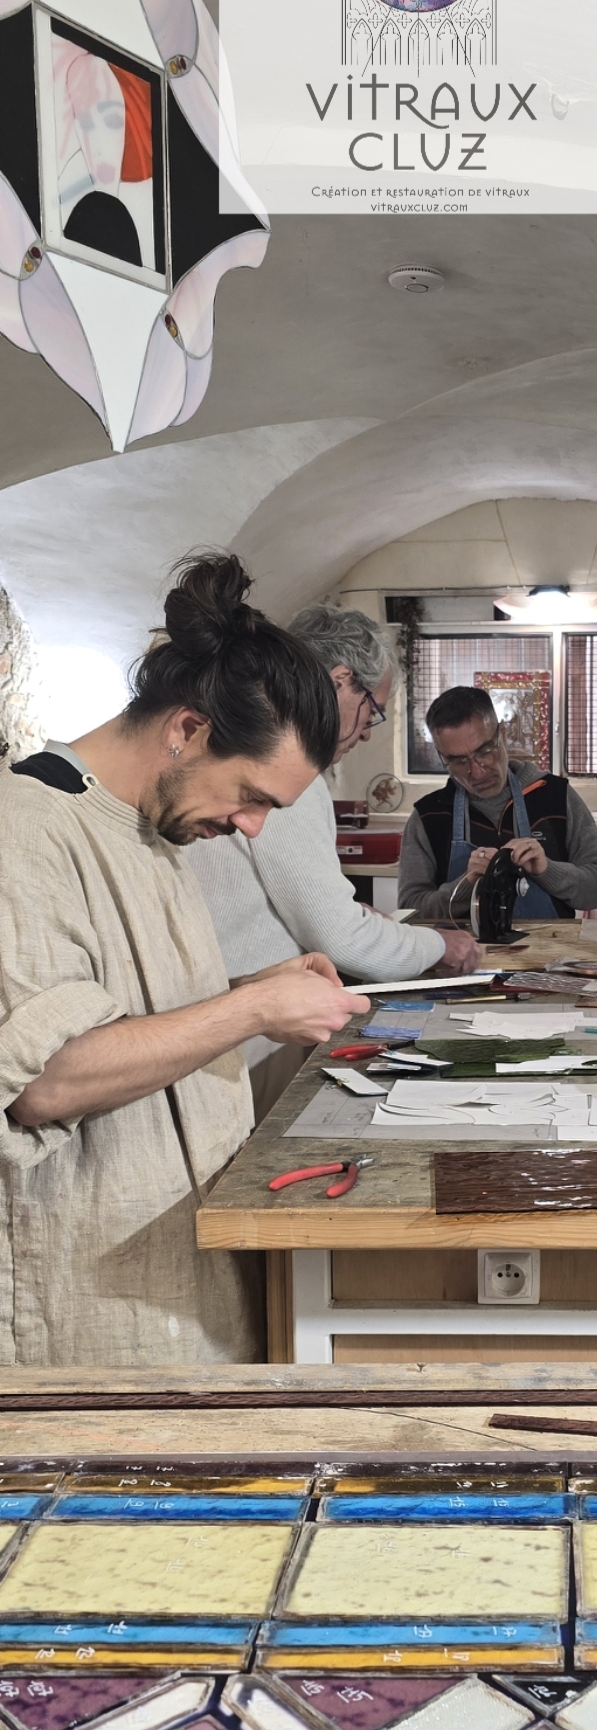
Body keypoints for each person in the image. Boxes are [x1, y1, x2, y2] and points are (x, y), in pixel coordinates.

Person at [0, 555, 363, 1368]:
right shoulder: (25, 829)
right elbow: (46, 1080)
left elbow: (127, 1018)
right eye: (253, 795)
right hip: (93, 1318)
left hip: (187, 1282)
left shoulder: (150, 829)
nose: (253, 825)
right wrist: (251, 1010)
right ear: (189, 729)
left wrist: (249, 988)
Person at [191, 606, 482, 1111]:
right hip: (245, 1043)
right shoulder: (287, 765)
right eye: (372, 711)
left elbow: (303, 908)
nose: (367, 731)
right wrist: (439, 944)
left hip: (235, 1020)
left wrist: (354, 917)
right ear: (341, 680)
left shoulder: (247, 742)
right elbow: (343, 940)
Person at [398, 686, 597, 922]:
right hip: (464, 947)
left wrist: (548, 870)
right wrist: (465, 886)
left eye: (485, 751)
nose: (477, 772)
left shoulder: (555, 797)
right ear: (441, 756)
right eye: (459, 761)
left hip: (550, 945)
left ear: (503, 735)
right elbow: (410, 911)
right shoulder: (428, 817)